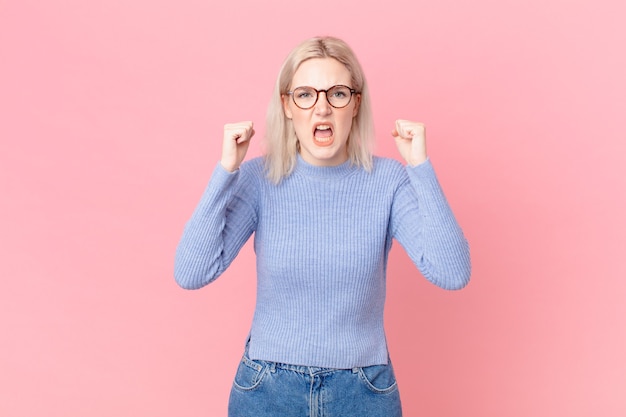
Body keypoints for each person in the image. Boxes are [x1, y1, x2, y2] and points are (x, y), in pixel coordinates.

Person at [174, 36, 471, 417]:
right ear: (286, 105)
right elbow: (190, 272)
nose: (322, 109)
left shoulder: (389, 182)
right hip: (267, 391)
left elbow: (453, 272)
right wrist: (226, 171)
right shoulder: (259, 180)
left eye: (338, 94)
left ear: (356, 103)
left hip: (363, 392)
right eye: (305, 95)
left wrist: (420, 168)